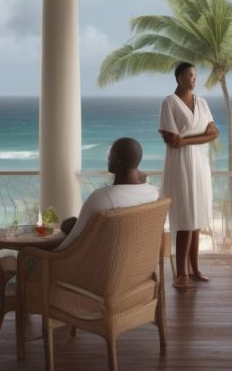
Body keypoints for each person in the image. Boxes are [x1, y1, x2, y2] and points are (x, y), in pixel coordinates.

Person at [159, 62, 219, 290]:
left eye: (195, 75)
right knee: (185, 217)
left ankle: (195, 269)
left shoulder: (201, 102)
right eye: (189, 75)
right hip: (180, 165)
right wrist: (187, 139)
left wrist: (185, 140)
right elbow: (171, 140)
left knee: (197, 218)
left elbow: (214, 132)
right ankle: (180, 273)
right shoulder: (169, 103)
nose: (194, 79)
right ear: (178, 78)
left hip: (200, 165)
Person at [58, 137, 159, 249]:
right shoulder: (153, 194)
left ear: (118, 162)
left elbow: (74, 238)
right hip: (136, 258)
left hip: (95, 263)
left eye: (110, 154)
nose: (108, 158)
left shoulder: (101, 199)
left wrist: (67, 228)